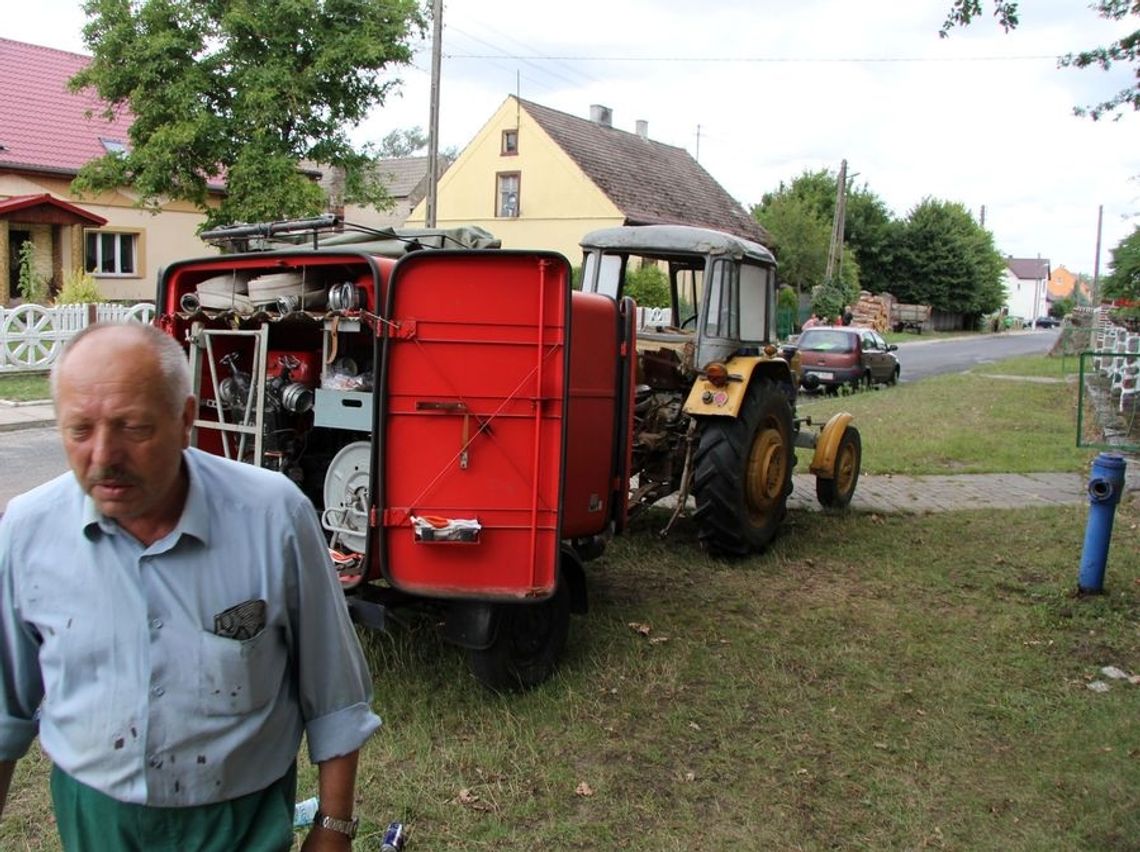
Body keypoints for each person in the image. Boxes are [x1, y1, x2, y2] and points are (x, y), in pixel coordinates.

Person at [0, 323, 381, 851]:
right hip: (96, 818)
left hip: (239, 822)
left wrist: (333, 829)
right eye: (80, 430)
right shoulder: (27, 530)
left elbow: (335, 692)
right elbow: (6, 710)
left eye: (132, 427)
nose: (104, 455)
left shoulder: (273, 517)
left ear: (184, 420)